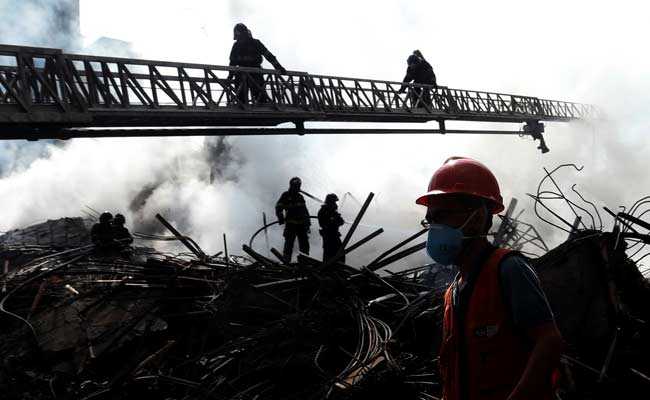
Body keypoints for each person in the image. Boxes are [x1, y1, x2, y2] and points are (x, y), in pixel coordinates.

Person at [416, 157, 563, 400]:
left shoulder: (508, 269)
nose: (434, 228)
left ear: (475, 218)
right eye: (430, 220)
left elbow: (549, 342)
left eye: (442, 216)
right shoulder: (452, 293)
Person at [229, 23, 287, 104]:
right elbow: (232, 63)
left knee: (260, 98)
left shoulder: (255, 43)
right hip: (244, 75)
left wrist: (279, 67)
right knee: (242, 99)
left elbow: (269, 56)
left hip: (255, 74)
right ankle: (245, 108)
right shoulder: (237, 46)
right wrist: (230, 75)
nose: (240, 39)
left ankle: (260, 107)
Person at [275, 177, 311, 262]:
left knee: (304, 245)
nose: (298, 187)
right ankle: (286, 262)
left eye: (299, 186)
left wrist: (308, 224)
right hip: (291, 224)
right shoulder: (286, 195)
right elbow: (278, 207)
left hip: (302, 225)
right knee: (289, 244)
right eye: (296, 186)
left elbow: (305, 211)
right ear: (292, 185)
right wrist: (280, 217)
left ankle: (304, 263)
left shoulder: (300, 197)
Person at [318, 193, 345, 263]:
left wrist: (337, 219)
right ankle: (327, 270)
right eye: (334, 202)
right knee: (329, 254)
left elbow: (341, 222)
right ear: (330, 202)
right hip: (328, 235)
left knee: (340, 253)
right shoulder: (323, 211)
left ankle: (340, 269)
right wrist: (332, 220)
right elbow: (322, 224)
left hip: (335, 234)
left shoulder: (333, 212)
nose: (336, 204)